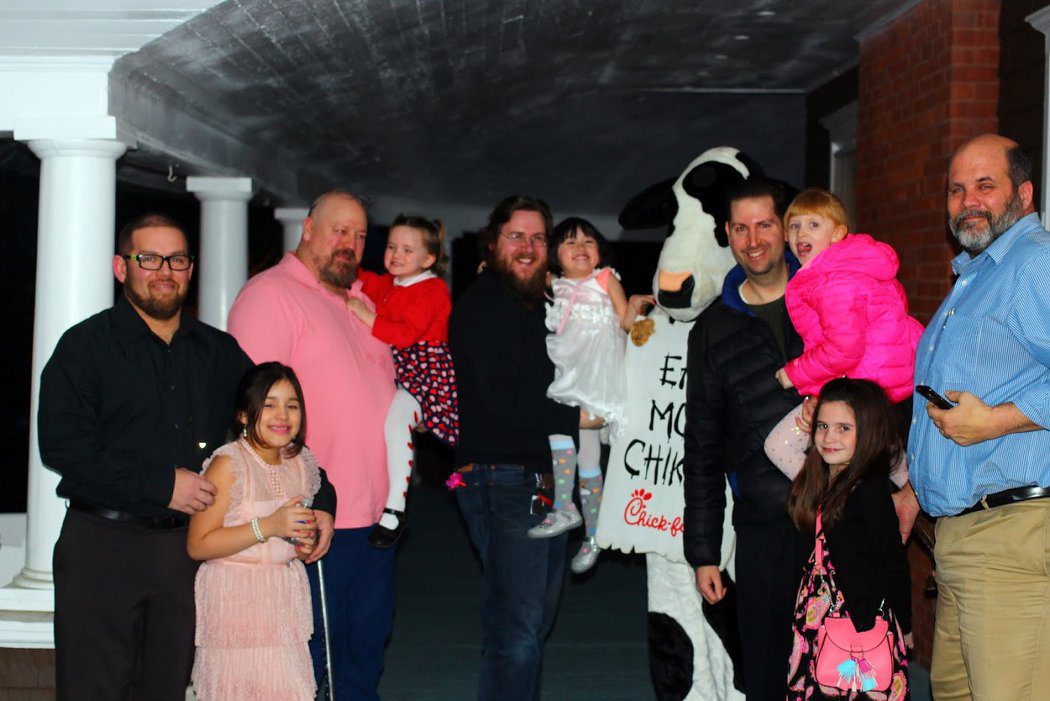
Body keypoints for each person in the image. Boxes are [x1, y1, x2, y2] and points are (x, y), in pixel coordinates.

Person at [37, 213, 334, 700]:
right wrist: (161, 485)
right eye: (148, 259)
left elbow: (275, 430)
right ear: (121, 267)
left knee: (167, 688)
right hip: (103, 548)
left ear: (190, 269)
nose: (164, 271)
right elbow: (63, 447)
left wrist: (324, 502)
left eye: (176, 259)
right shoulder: (84, 348)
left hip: (186, 554)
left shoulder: (219, 352)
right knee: (93, 690)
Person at [227, 190, 396, 700]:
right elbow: (252, 416)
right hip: (315, 519)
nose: (350, 244)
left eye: (360, 235)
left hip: (377, 518)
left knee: (363, 654)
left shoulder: (362, 303)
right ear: (307, 229)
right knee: (307, 663)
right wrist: (291, 507)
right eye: (339, 230)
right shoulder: (271, 295)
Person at [904, 133, 1050, 699]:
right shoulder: (975, 279)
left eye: (985, 186)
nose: (968, 201)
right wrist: (915, 489)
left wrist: (997, 421)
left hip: (1013, 537)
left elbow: (986, 414)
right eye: (957, 189)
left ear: (1025, 194)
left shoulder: (1035, 263)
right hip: (962, 540)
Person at [449, 195, 599, 700]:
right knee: (517, 631)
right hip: (504, 478)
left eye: (538, 237)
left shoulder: (540, 304)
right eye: (516, 236)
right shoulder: (484, 304)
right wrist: (579, 418)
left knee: (532, 625)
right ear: (493, 244)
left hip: (543, 479)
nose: (529, 247)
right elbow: (501, 399)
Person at [682, 178, 804, 700]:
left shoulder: (829, 295)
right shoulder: (711, 329)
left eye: (764, 225)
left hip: (843, 517)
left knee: (846, 669)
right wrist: (704, 552)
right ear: (727, 235)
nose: (753, 241)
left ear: (785, 228)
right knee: (767, 674)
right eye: (740, 228)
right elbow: (702, 447)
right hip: (764, 525)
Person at [763, 188, 923, 483]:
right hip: (880, 387)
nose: (801, 233)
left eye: (813, 224)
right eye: (794, 226)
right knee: (888, 461)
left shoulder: (833, 281)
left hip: (861, 388)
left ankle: (836, 497)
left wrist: (794, 374)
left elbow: (844, 349)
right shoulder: (849, 268)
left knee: (779, 446)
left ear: (837, 233)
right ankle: (901, 497)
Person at [188, 363, 320, 700]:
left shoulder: (300, 463)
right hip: (234, 602)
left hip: (283, 600)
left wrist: (304, 543)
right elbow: (198, 544)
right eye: (270, 404)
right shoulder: (228, 464)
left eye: (292, 405)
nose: (283, 415)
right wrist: (268, 526)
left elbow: (295, 536)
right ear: (244, 415)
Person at [526, 216, 649, 574]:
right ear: (555, 254)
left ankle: (589, 532)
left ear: (600, 251)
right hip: (568, 372)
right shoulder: (553, 283)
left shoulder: (605, 278)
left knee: (587, 456)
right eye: (570, 242)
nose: (580, 248)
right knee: (563, 439)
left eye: (588, 241)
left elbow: (625, 321)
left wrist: (635, 306)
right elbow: (523, 282)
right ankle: (570, 512)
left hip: (597, 377)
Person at [785, 378, 911, 699]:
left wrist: (906, 624)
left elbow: (892, 560)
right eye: (823, 426)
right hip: (814, 619)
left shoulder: (869, 490)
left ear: (867, 433)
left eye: (844, 428)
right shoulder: (816, 482)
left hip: (859, 623)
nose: (829, 437)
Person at [347, 214, 459, 548]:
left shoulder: (433, 290)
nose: (396, 254)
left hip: (425, 376)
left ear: (428, 259)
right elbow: (363, 279)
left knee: (396, 425)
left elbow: (406, 335)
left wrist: (365, 315)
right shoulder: (392, 283)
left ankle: (395, 509)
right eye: (392, 246)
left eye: (407, 250)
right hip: (402, 374)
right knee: (385, 427)